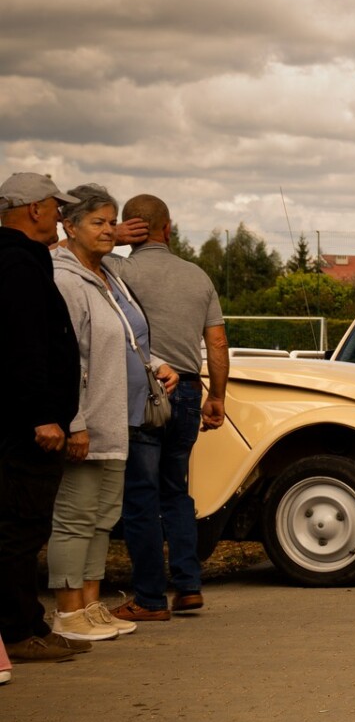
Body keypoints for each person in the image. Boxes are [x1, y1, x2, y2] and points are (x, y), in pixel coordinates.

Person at [50, 185, 178, 643]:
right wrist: (75, 421)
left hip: (121, 415)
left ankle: (90, 605)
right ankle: (67, 613)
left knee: (103, 516)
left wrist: (157, 362)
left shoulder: (107, 275)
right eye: (98, 223)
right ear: (70, 226)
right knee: (76, 516)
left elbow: (129, 337)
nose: (109, 230)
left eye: (111, 222)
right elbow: (67, 358)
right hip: (89, 418)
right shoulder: (64, 279)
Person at [117, 194, 228, 620]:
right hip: (187, 393)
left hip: (142, 392)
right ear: (168, 228)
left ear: (130, 229)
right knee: (176, 491)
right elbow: (216, 342)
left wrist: (110, 242)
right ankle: (188, 586)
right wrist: (216, 396)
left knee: (141, 496)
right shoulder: (197, 275)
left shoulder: (118, 269)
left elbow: (65, 256)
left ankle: (148, 598)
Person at [0, 173, 89, 668]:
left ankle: (28, 623)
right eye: (56, 206)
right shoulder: (17, 263)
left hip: (25, 422)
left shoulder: (20, 259)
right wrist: (42, 416)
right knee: (20, 527)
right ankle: (17, 631)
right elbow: (23, 346)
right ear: (33, 208)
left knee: (25, 527)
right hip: (27, 427)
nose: (60, 214)